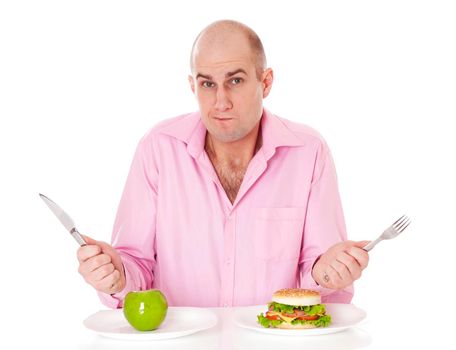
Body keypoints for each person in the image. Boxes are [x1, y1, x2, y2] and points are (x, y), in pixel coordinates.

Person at [77, 20, 369, 308]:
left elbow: (323, 281)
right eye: (207, 84)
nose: (220, 101)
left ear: (265, 82)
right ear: (193, 85)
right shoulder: (158, 149)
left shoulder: (309, 152)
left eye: (235, 80)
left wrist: (328, 273)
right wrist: (116, 276)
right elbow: (136, 268)